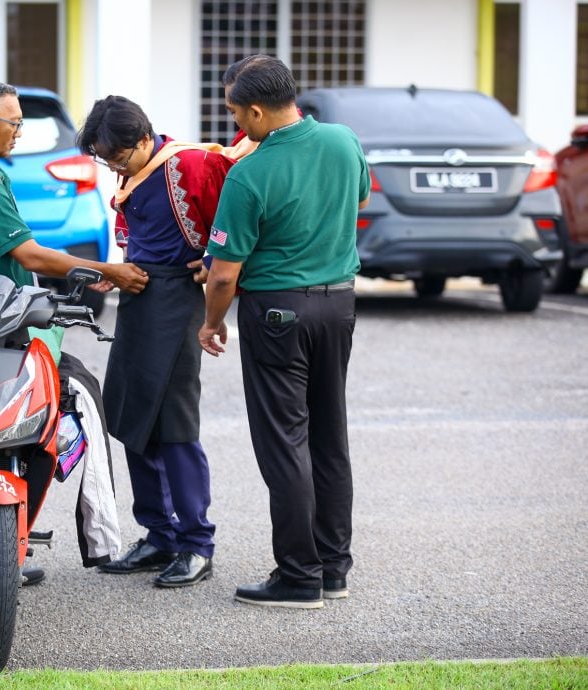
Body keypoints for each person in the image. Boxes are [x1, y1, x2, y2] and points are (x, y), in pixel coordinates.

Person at [0, 79, 152, 571]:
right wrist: (109, 270)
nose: (19, 131)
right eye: (13, 123)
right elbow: (30, 254)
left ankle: (1, 543)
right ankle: (94, 539)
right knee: (75, 403)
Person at [199, 54, 371, 608]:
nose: (234, 127)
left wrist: (211, 322)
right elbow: (360, 197)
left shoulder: (250, 173)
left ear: (256, 110)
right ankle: (333, 569)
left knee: (285, 443)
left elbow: (224, 272)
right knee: (329, 436)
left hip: (277, 314)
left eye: (235, 115)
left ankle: (299, 576)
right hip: (339, 305)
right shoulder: (344, 141)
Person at [76, 95, 236, 588]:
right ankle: (159, 533)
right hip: (140, 296)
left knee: (175, 422)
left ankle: (196, 542)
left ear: (144, 139)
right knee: (131, 413)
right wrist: (116, 273)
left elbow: (237, 222)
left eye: (118, 158)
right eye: (106, 160)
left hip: (180, 299)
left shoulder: (193, 163)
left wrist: (215, 264)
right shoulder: (134, 170)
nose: (113, 168)